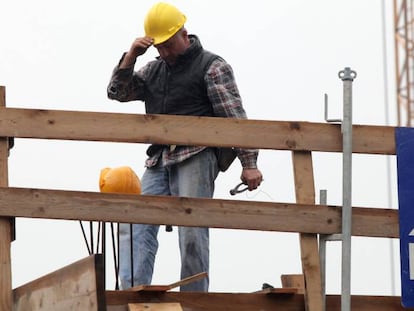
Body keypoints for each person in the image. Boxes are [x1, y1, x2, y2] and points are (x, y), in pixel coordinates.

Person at [107, 2, 263, 292]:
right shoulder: (154, 68)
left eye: (167, 45)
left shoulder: (212, 66)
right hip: (159, 159)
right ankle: (130, 292)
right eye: (159, 48)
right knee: (135, 220)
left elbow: (234, 116)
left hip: (196, 154)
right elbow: (117, 93)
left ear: (184, 34)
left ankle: (194, 298)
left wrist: (249, 163)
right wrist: (131, 57)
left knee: (191, 228)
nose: (163, 53)